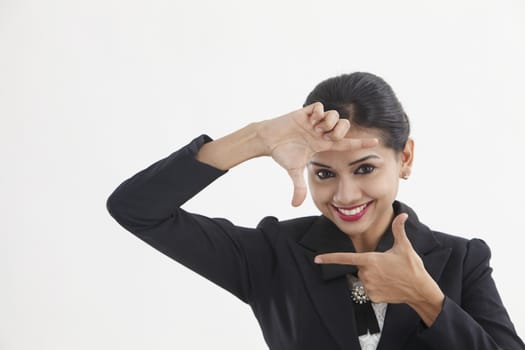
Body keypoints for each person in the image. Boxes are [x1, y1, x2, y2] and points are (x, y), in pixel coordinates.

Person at [106, 72, 524, 349]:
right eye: (323, 173)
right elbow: (136, 209)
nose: (345, 194)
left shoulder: (463, 261)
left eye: (365, 169)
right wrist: (255, 138)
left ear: (406, 158)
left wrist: (428, 299)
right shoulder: (271, 254)